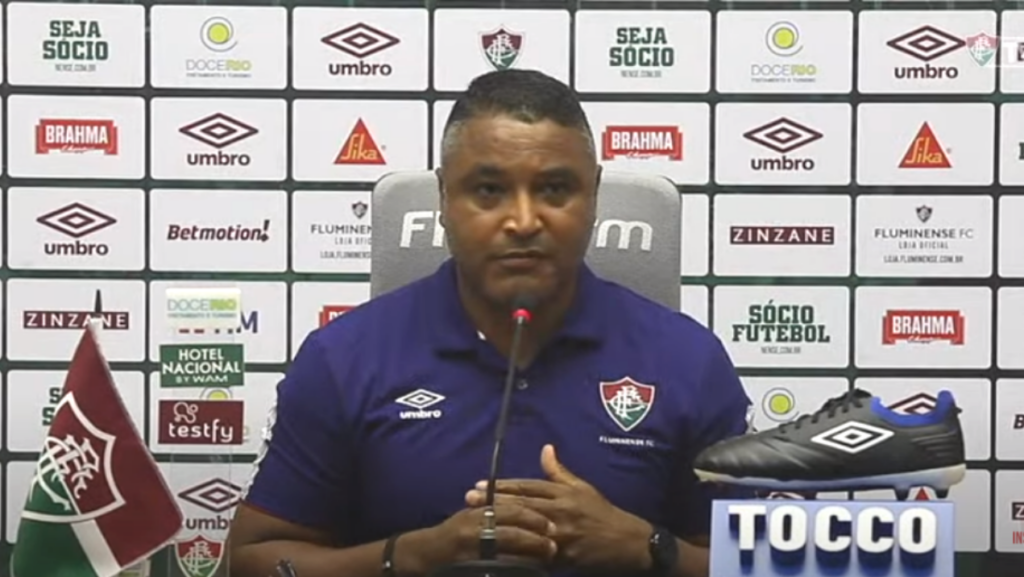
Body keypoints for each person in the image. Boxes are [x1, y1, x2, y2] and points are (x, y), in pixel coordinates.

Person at [227, 68, 752, 577]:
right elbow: (250, 561)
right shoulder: (342, 358)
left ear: (593, 195)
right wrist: (412, 556)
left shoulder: (689, 362)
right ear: (443, 198)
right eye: (488, 190)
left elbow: (771, 563)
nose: (523, 221)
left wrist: (650, 549)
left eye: (554, 189)